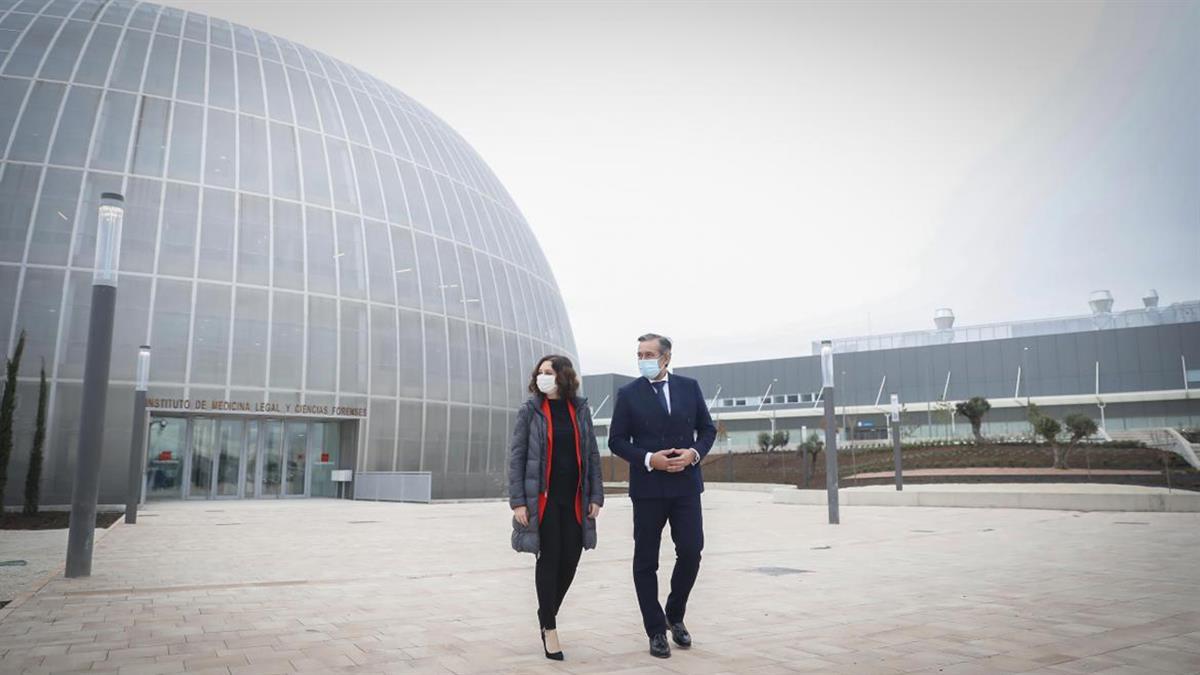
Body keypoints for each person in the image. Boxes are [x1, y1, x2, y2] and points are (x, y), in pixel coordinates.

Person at [608, 333, 716, 658]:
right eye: (639, 353)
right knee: (645, 561)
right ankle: (655, 629)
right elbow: (616, 440)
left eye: (649, 353)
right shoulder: (628, 394)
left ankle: (674, 614)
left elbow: (707, 430)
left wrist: (694, 453)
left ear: (666, 358)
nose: (643, 359)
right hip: (648, 489)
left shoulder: (689, 387)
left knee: (692, 550)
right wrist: (647, 459)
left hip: (686, 486)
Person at [508, 354, 604, 661]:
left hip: (574, 498)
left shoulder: (580, 409)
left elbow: (592, 455)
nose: (541, 377)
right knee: (549, 559)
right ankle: (549, 627)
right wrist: (519, 502)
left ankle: (544, 613)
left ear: (563, 376)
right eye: (539, 373)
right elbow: (517, 458)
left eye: (547, 372)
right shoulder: (531, 411)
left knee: (570, 560)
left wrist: (596, 496)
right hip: (544, 500)